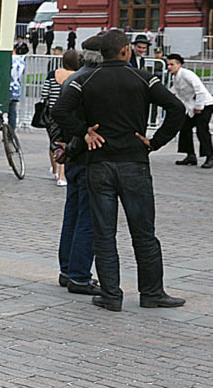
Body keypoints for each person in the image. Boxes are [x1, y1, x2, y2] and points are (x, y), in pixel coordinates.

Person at [52, 29, 186, 312]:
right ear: (126, 50)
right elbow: (176, 108)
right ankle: (151, 292)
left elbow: (59, 111)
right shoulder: (143, 78)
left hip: (99, 164)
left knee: (104, 233)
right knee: (144, 232)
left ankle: (111, 294)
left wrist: (83, 132)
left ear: (103, 53)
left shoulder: (86, 80)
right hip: (134, 163)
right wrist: (155, 141)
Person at [53, 36, 104, 296]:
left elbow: (57, 115)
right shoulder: (90, 80)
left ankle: (68, 269)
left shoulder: (76, 78)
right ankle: (79, 274)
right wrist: (80, 138)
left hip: (73, 154)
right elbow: (64, 115)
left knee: (73, 213)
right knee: (86, 216)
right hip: (85, 154)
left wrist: (62, 145)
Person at [40, 49, 81, 186]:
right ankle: (62, 177)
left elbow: (44, 93)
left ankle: (55, 170)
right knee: (66, 142)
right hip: (70, 113)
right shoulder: (77, 76)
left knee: (53, 142)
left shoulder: (53, 74)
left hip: (52, 114)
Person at [166, 54, 213, 168]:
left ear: (179, 65)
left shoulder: (187, 74)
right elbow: (174, 91)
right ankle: (190, 156)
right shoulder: (175, 77)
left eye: (172, 64)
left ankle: (210, 157)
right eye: (168, 64)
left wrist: (199, 107)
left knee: (202, 130)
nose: (169, 67)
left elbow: (200, 90)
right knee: (184, 127)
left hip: (205, 104)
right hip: (192, 107)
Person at [9, 49, 26, 132]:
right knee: (12, 112)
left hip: (8, 87)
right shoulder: (21, 60)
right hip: (16, 89)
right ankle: (11, 134)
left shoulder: (9, 59)